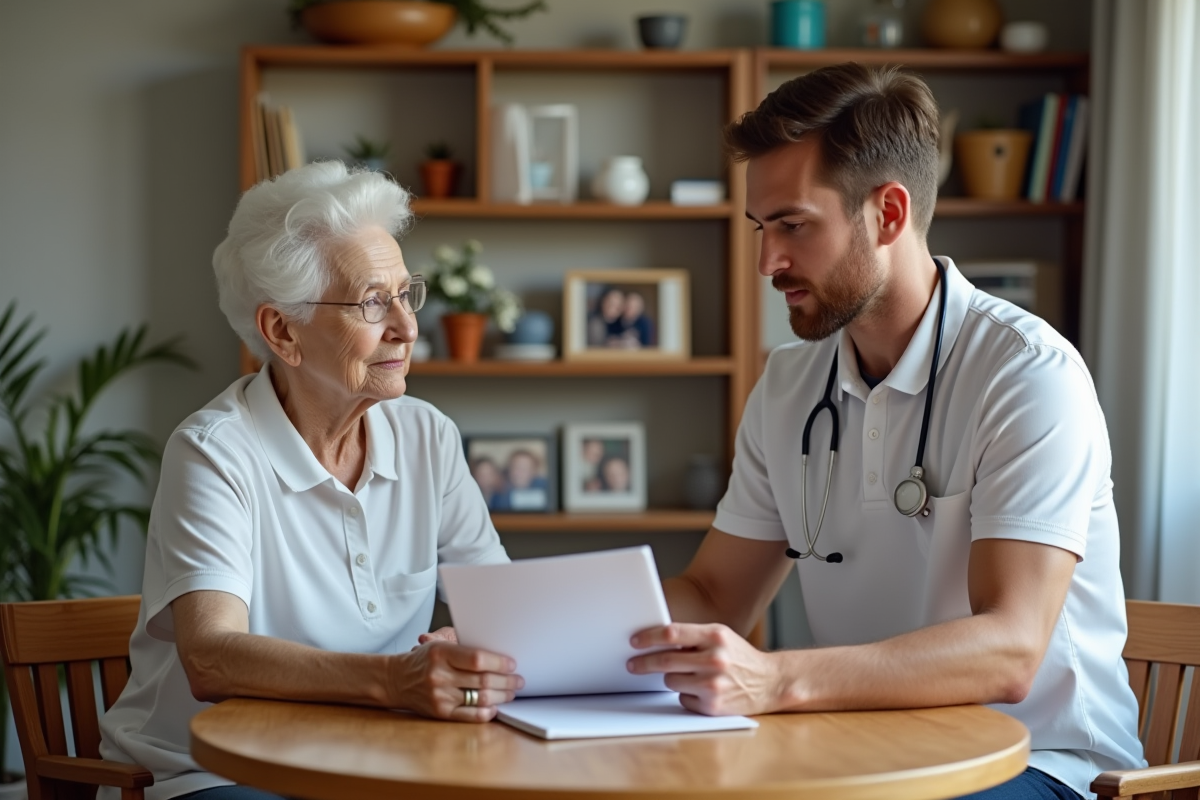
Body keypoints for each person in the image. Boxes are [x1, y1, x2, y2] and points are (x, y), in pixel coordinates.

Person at [626, 64, 1144, 800]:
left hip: (1044, 765)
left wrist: (775, 680)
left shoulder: (1028, 374)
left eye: (793, 226)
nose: (768, 261)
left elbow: (1009, 649)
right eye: (761, 228)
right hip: (861, 754)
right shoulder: (788, 385)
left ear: (889, 215)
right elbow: (714, 593)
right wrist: (533, 649)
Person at [97, 161, 523, 800]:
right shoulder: (214, 452)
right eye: (372, 302)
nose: (407, 327)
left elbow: (505, 608)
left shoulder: (428, 435)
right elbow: (211, 656)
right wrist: (397, 680)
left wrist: (469, 643)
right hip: (212, 774)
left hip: (377, 759)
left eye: (407, 294)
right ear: (282, 332)